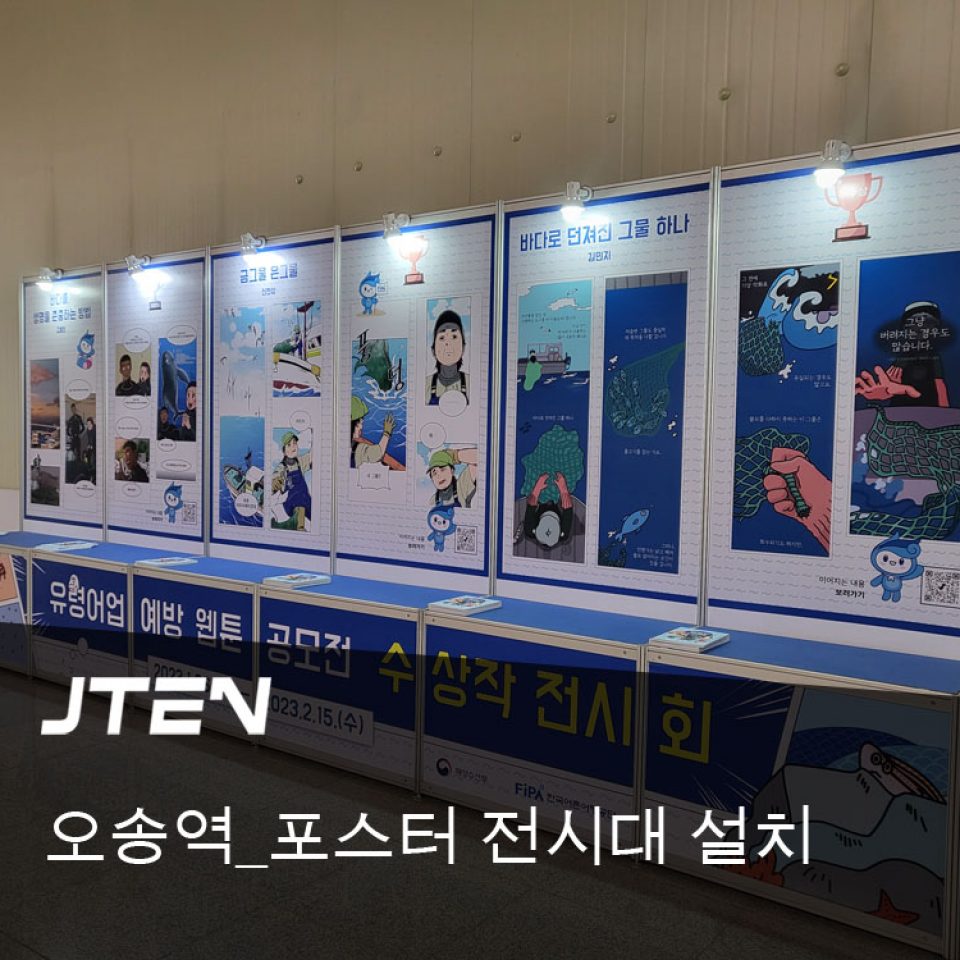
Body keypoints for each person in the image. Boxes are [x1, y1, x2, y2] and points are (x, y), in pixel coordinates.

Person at [271, 429, 312, 531]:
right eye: (289, 445)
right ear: (284, 450)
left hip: (307, 500)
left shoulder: (300, 462)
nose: (293, 447)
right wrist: (276, 483)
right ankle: (299, 527)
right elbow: (276, 478)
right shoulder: (282, 467)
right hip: (293, 502)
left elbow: (312, 456)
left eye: (294, 443)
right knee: (299, 503)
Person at [426, 310, 469, 406]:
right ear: (433, 350)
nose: (448, 343)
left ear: (463, 347)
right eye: (442, 338)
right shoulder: (425, 384)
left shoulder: (471, 383)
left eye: (454, 336)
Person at [350, 395, 404, 470]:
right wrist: (387, 433)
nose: (361, 427)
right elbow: (378, 453)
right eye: (359, 424)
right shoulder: (360, 448)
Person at [523, 471, 573, 550]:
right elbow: (568, 509)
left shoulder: (530, 530)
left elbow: (531, 506)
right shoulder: (564, 533)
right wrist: (563, 489)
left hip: (541, 508)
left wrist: (537, 488)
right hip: (557, 509)